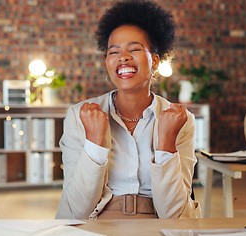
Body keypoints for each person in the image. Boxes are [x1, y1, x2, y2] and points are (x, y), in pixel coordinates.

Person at [55, 0, 199, 219]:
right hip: (97, 223)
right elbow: (77, 209)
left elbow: (175, 216)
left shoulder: (180, 120)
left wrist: (167, 144)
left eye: (134, 49)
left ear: (155, 61)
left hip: (157, 224)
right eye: (114, 52)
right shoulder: (79, 116)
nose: (123, 57)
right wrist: (94, 142)